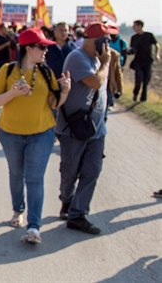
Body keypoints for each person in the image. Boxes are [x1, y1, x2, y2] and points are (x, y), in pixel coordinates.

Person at [0, 28, 71, 245]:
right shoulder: (7, 71)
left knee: (34, 178)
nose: (46, 51)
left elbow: (53, 104)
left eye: (46, 47)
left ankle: (34, 227)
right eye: (42, 47)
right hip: (10, 134)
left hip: (41, 134)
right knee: (16, 173)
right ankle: (18, 210)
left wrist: (64, 92)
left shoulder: (46, 72)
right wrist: (13, 93)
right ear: (28, 48)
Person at [56, 22, 117, 235]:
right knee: (70, 171)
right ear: (92, 41)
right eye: (104, 41)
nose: (107, 46)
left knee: (92, 170)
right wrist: (106, 63)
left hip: (96, 129)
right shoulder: (77, 58)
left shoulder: (98, 60)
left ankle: (77, 214)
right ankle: (67, 200)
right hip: (74, 128)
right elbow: (95, 82)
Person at [129, 20, 160, 102]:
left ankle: (143, 99)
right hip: (138, 62)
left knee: (146, 81)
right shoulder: (134, 38)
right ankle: (135, 94)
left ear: (140, 26)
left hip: (147, 61)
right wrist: (128, 51)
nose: (133, 27)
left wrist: (157, 54)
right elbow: (132, 49)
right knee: (139, 79)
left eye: (134, 25)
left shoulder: (149, 35)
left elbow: (157, 45)